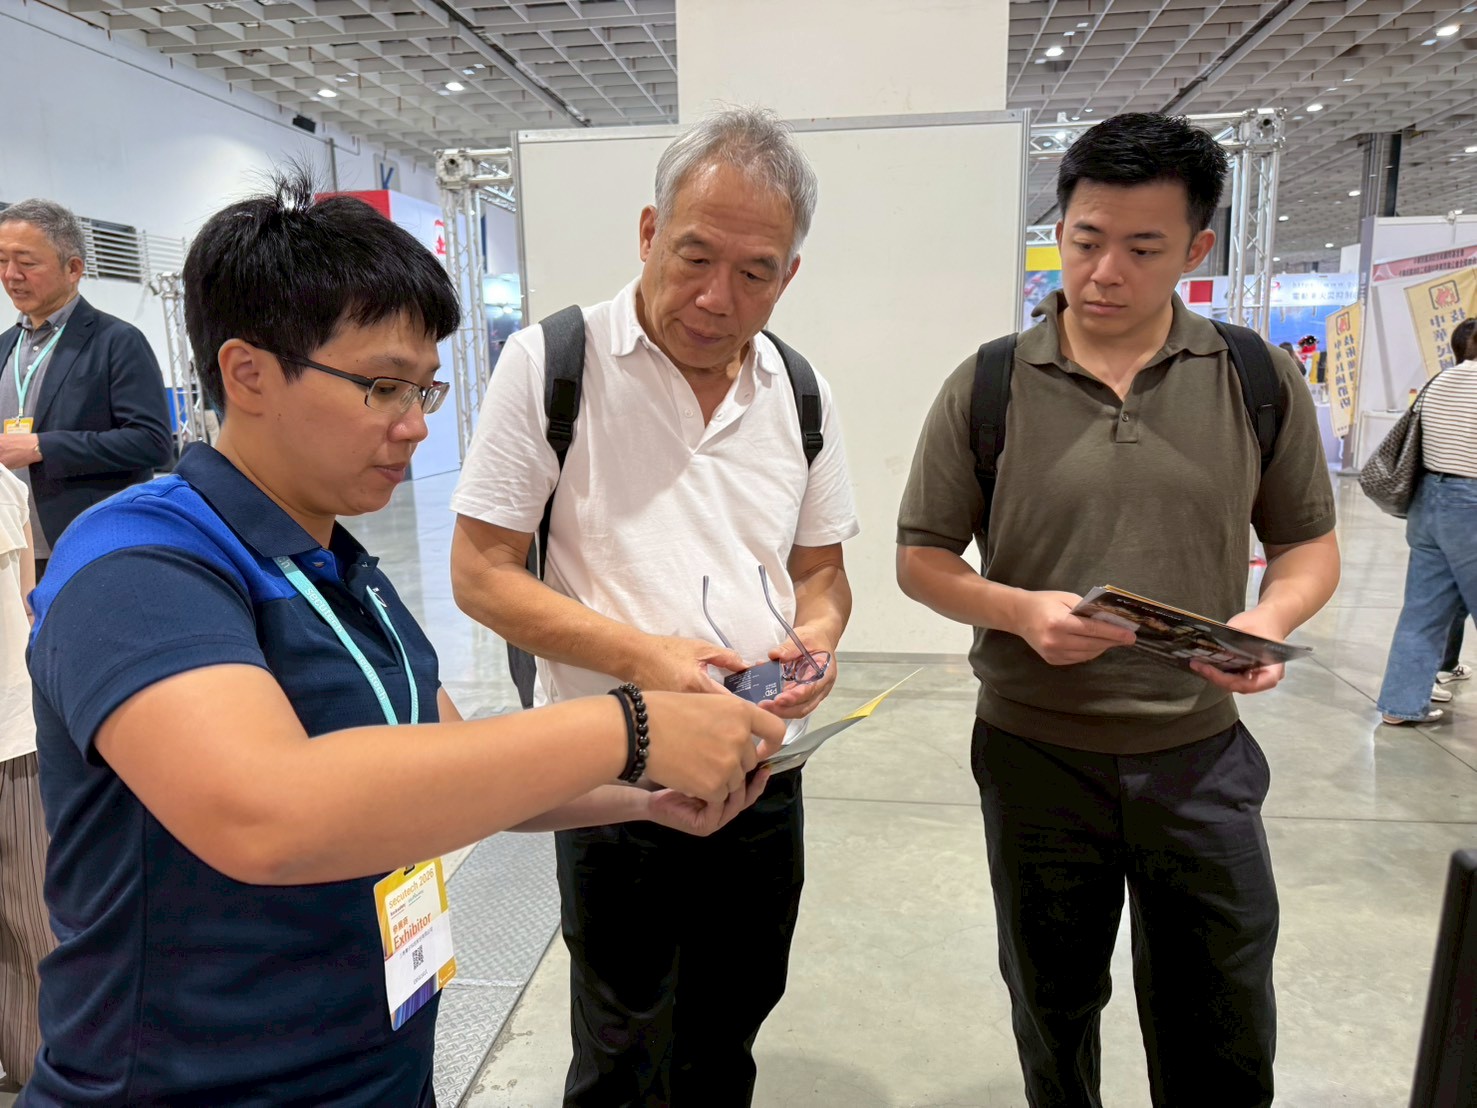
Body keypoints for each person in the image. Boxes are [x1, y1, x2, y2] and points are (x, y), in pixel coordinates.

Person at [18, 175, 785, 1108]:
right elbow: (267, 814)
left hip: (372, 1068)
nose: (416, 425)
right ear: (247, 372)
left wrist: (644, 796)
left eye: (423, 388)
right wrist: (630, 725)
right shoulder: (138, 562)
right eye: (382, 387)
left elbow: (450, 758)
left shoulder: (339, 566)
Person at [896, 113, 1340, 1107]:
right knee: (1051, 1005)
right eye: (1084, 239)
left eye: (1141, 248)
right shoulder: (990, 384)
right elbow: (921, 560)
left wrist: (1267, 622)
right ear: (1058, 228)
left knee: (1221, 1017)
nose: (1103, 272)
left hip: (1199, 754)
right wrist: (1019, 611)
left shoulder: (1254, 378)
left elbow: (1307, 545)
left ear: (1195, 249)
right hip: (1033, 754)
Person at [450, 106, 858, 1107]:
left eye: (755, 271)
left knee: (732, 1027)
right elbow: (481, 573)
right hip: (611, 765)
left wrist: (814, 639)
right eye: (695, 256)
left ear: (789, 274)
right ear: (648, 231)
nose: (718, 298)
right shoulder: (554, 363)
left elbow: (821, 574)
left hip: (761, 767)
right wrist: (650, 661)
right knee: (622, 1044)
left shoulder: (799, 390)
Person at [0, 200, 174, 577]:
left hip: (91, 545)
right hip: (14, 548)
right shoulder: (4, 347)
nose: (11, 275)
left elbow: (152, 442)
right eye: (1, 261)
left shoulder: (117, 341)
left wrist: (41, 446)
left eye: (26, 262)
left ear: (74, 268)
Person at [1377, 315, 1477, 725]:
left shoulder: (1441, 381)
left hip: (1429, 503)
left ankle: (1400, 705)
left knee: (1423, 611)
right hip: (1471, 504)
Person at [0, 464, 47, 1094]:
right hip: (17, 727)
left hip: (14, 737)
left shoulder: (6, 489)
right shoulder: (8, 488)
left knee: (35, 922)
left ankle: (44, 1071)